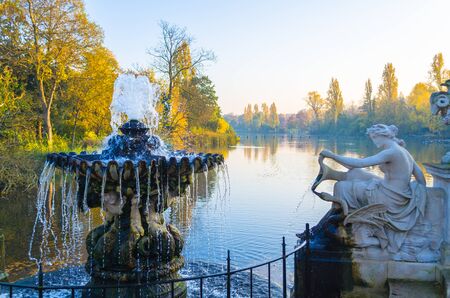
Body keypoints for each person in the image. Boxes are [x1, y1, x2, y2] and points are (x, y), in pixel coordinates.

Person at [313, 124, 427, 252]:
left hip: (389, 198)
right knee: (355, 172)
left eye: (374, 137)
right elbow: (421, 178)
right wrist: (415, 192)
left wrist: (333, 156)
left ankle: (337, 222)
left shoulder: (391, 152)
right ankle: (330, 179)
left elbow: (361, 162)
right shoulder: (403, 151)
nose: (373, 140)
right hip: (397, 193)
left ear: (382, 136)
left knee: (341, 187)